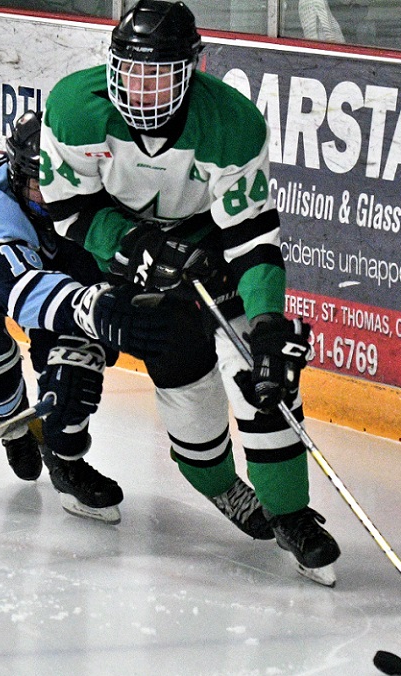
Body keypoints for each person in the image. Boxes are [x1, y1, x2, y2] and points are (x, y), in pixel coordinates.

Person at [39, 0, 341, 584]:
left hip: (210, 251)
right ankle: (220, 485)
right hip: (123, 256)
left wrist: (268, 323)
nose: (141, 89)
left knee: (262, 376)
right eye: (131, 72)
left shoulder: (232, 124)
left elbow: (252, 239)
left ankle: (291, 513)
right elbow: (70, 211)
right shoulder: (75, 108)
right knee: (187, 390)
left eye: (158, 75)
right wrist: (135, 246)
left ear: (191, 69)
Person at [0, 110, 171, 524]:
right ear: (15, 175)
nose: (49, 194)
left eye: (59, 181)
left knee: (77, 358)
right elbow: (26, 296)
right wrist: (93, 307)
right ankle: (12, 423)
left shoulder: (84, 201)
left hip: (35, 262)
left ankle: (65, 461)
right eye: (37, 183)